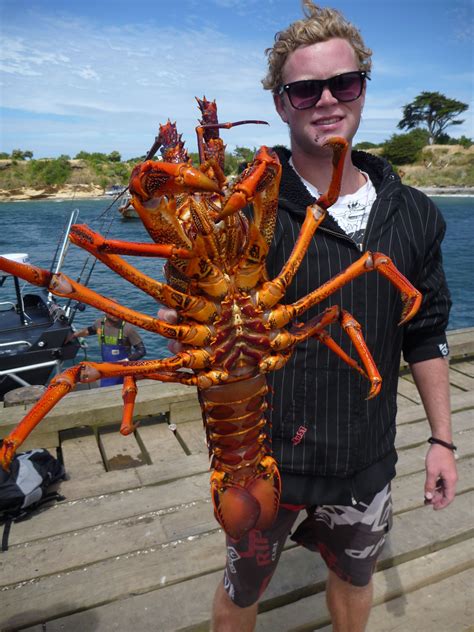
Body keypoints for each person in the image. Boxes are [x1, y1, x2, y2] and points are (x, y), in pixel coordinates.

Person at [207, 3, 458, 631]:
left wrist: (442, 440)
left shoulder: (415, 214)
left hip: (363, 455)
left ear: (363, 88)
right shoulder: (241, 211)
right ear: (282, 102)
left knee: (354, 579)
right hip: (262, 463)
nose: (326, 100)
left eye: (342, 83)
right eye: (304, 88)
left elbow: (425, 335)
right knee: (242, 593)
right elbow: (189, 308)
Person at [69, 313, 146, 386]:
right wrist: (74, 335)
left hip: (124, 371)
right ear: (105, 311)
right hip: (106, 371)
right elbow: (89, 331)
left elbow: (141, 351)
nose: (115, 314)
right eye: (112, 311)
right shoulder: (99, 323)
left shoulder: (127, 328)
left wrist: (125, 361)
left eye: (117, 311)